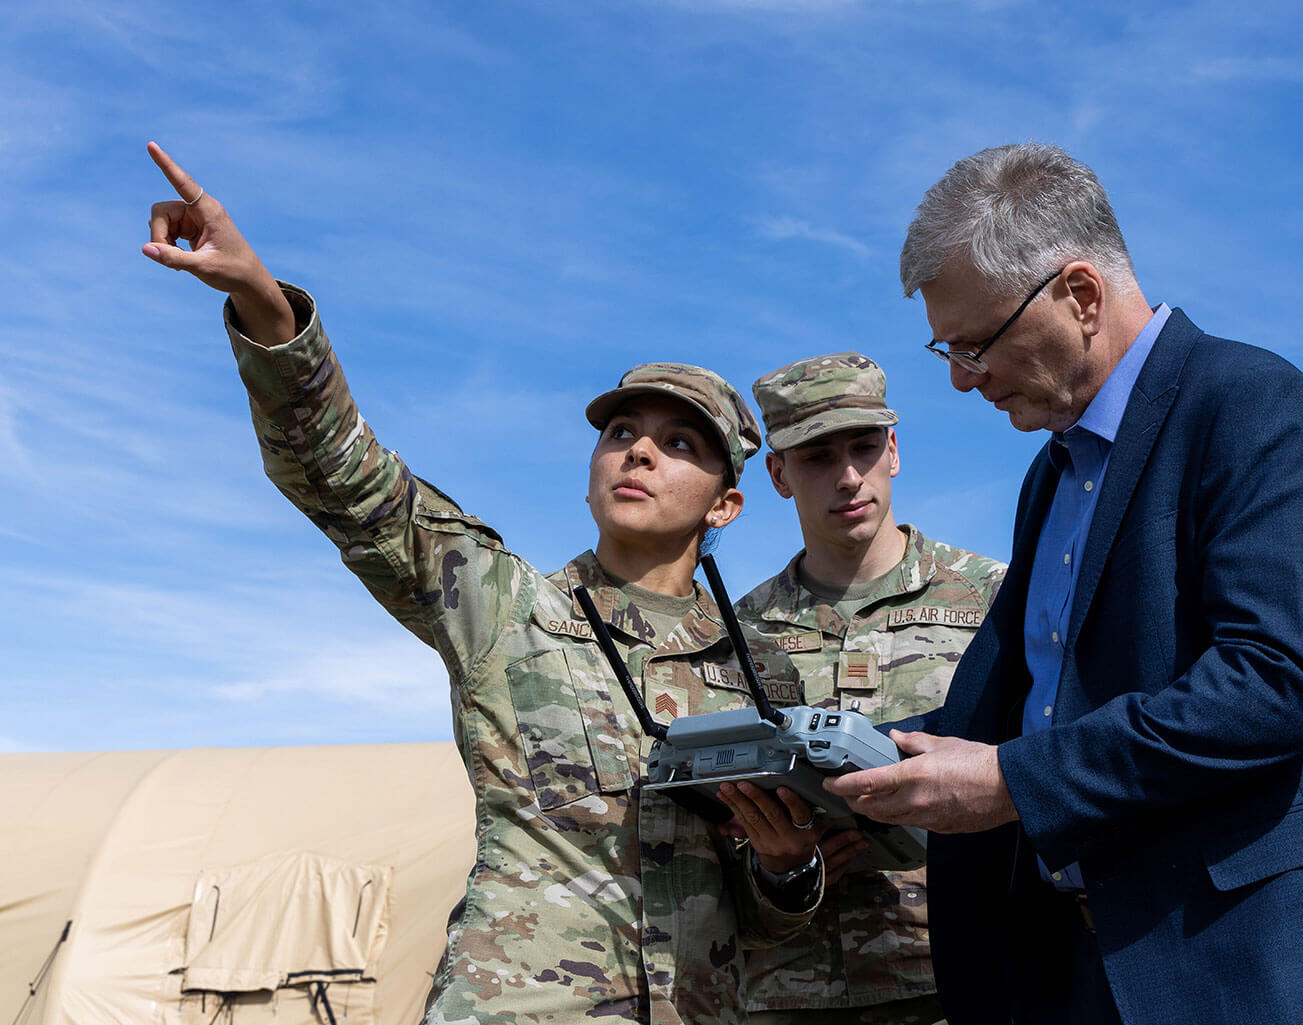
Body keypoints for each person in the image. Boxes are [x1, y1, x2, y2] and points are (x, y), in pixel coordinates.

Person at [823, 142, 1303, 1025]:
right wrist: (837, 770)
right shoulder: (1053, 474)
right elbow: (1024, 718)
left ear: (1079, 295)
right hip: (1101, 977)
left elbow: (1282, 680)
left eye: (977, 342)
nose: (962, 377)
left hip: (1276, 978)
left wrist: (1017, 783)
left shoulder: (1253, 404)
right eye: (945, 350)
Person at [141, 142, 825, 1025]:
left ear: (726, 504)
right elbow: (349, 480)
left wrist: (786, 868)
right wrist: (263, 304)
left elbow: (772, 920)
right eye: (622, 430)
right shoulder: (508, 606)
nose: (641, 450)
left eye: (680, 443)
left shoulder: (764, 673)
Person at [733, 353, 1006, 1025]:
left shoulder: (997, 599)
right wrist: (781, 866)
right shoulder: (737, 633)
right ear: (778, 474)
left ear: (894, 451)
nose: (849, 475)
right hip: (792, 996)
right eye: (818, 456)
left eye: (864, 446)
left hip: (969, 983)